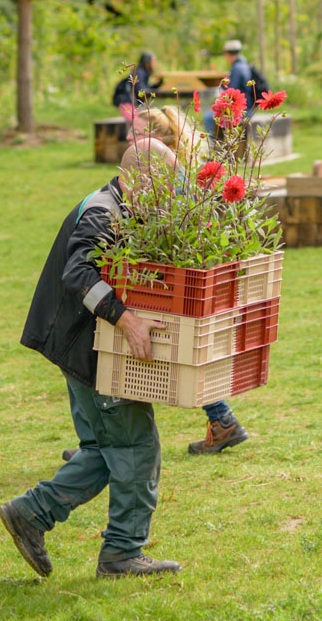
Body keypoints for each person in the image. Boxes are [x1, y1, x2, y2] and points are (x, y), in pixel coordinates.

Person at [0, 139, 183, 578]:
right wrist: (126, 320)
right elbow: (78, 272)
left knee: (105, 449)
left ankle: (32, 513)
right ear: (143, 177)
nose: (174, 191)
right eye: (169, 181)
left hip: (78, 345)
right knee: (136, 447)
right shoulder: (105, 211)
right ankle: (121, 553)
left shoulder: (120, 203)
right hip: (91, 347)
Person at [65, 106, 251, 457]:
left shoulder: (168, 179)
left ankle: (93, 445)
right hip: (174, 277)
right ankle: (221, 419)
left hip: (167, 278)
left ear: (160, 141)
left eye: (137, 135)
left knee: (165, 347)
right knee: (177, 346)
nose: (131, 141)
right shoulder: (177, 172)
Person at [203, 39, 255, 137]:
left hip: (241, 111)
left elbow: (231, 92)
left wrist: (221, 87)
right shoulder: (244, 65)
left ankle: (213, 146)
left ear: (227, 54)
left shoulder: (237, 68)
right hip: (247, 108)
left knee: (208, 118)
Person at [112, 51, 161, 119]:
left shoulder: (141, 72)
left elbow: (143, 88)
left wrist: (157, 85)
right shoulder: (139, 73)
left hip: (131, 104)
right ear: (147, 63)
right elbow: (141, 91)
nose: (155, 64)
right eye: (153, 61)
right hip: (127, 103)